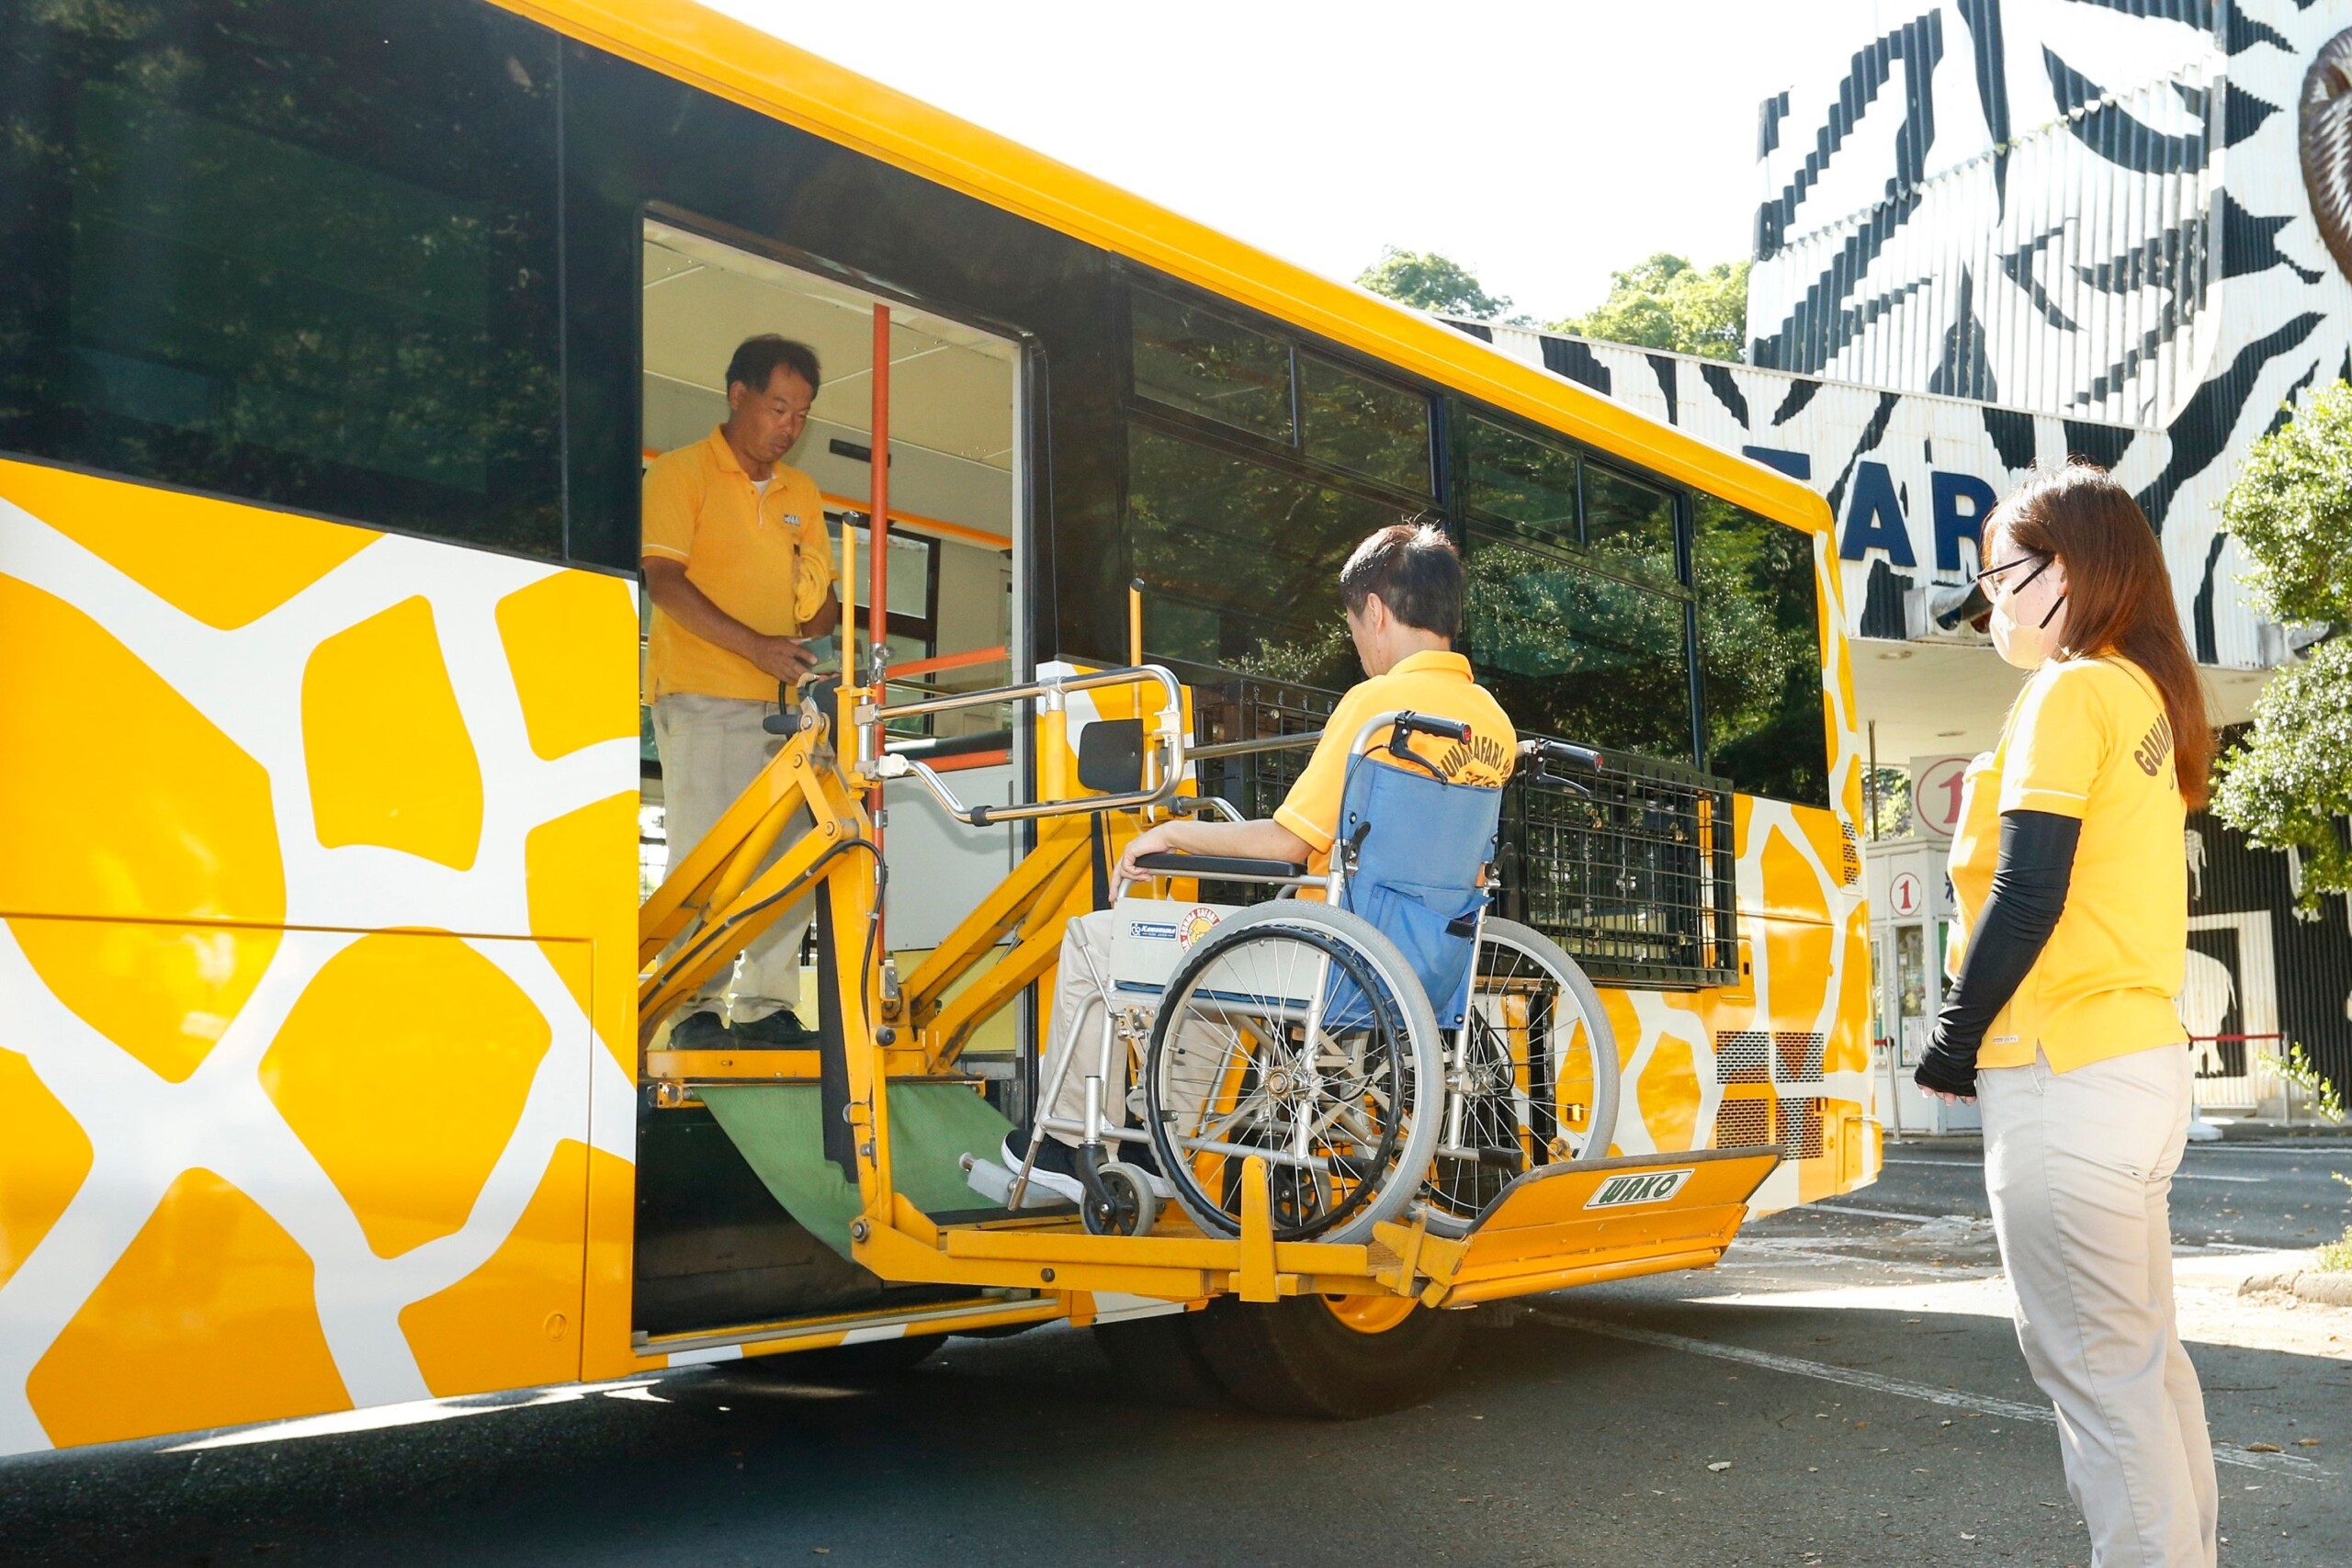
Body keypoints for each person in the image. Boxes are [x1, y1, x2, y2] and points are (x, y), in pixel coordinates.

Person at [1004, 521, 1517, 1197]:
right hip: (1422, 964)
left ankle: (1069, 1141)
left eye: (1355, 628)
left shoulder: (1379, 705)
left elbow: (1288, 844)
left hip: (1326, 960)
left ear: (1377, 612)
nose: (1359, 646)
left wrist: (1176, 835)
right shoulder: (1493, 724)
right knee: (1208, 973)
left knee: (1097, 940)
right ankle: (1165, 1149)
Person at [1914, 463, 2219, 1567]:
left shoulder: (2073, 689)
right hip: (2134, 1067)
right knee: (2141, 1370)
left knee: (2098, 1381)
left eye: (2001, 571)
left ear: (2069, 572)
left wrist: (1951, 1037)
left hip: (2059, 1069)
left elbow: (2028, 885)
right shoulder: (2145, 696)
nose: (1988, 597)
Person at [642, 334, 842, 1050]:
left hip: (784, 706)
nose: (789, 426)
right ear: (738, 395)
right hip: (699, 690)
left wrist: (822, 602)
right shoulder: (680, 473)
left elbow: (820, 610)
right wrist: (755, 645)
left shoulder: (805, 493)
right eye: (778, 406)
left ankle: (766, 1003)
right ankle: (690, 1000)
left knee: (789, 850)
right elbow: (662, 581)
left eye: (801, 413)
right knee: (705, 852)